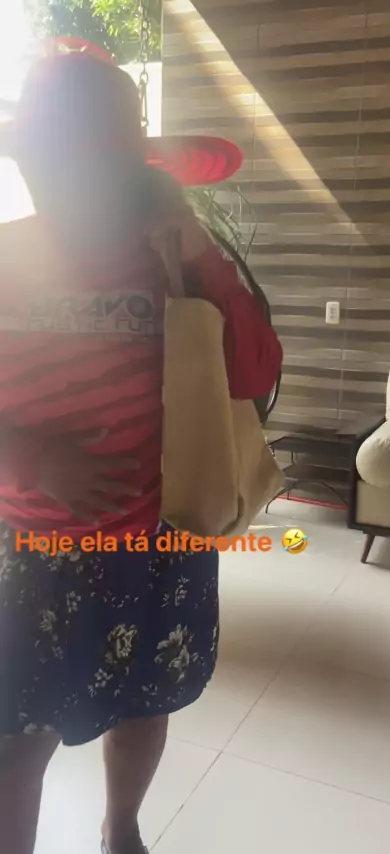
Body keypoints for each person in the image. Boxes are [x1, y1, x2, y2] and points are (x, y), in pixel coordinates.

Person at [0, 53, 282, 854]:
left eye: (95, 163)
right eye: (49, 160)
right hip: (32, 550)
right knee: (16, 737)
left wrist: (195, 249)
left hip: (161, 542)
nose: (66, 182)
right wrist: (35, 463)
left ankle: (121, 827)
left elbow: (256, 372)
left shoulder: (174, 263)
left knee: (145, 706)